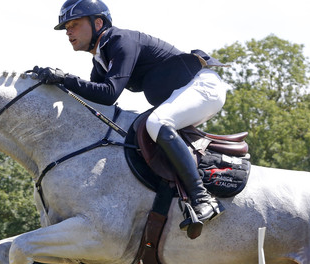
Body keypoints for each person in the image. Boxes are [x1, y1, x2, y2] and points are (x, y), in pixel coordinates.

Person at [34, 0, 228, 238]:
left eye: (74, 24)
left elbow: (108, 93)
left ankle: (203, 198)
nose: (68, 32)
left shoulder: (120, 40)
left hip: (204, 87)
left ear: (98, 23)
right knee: (147, 126)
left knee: (157, 123)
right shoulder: (100, 58)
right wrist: (48, 92)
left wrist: (64, 78)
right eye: (66, 28)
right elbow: (96, 105)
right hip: (187, 91)